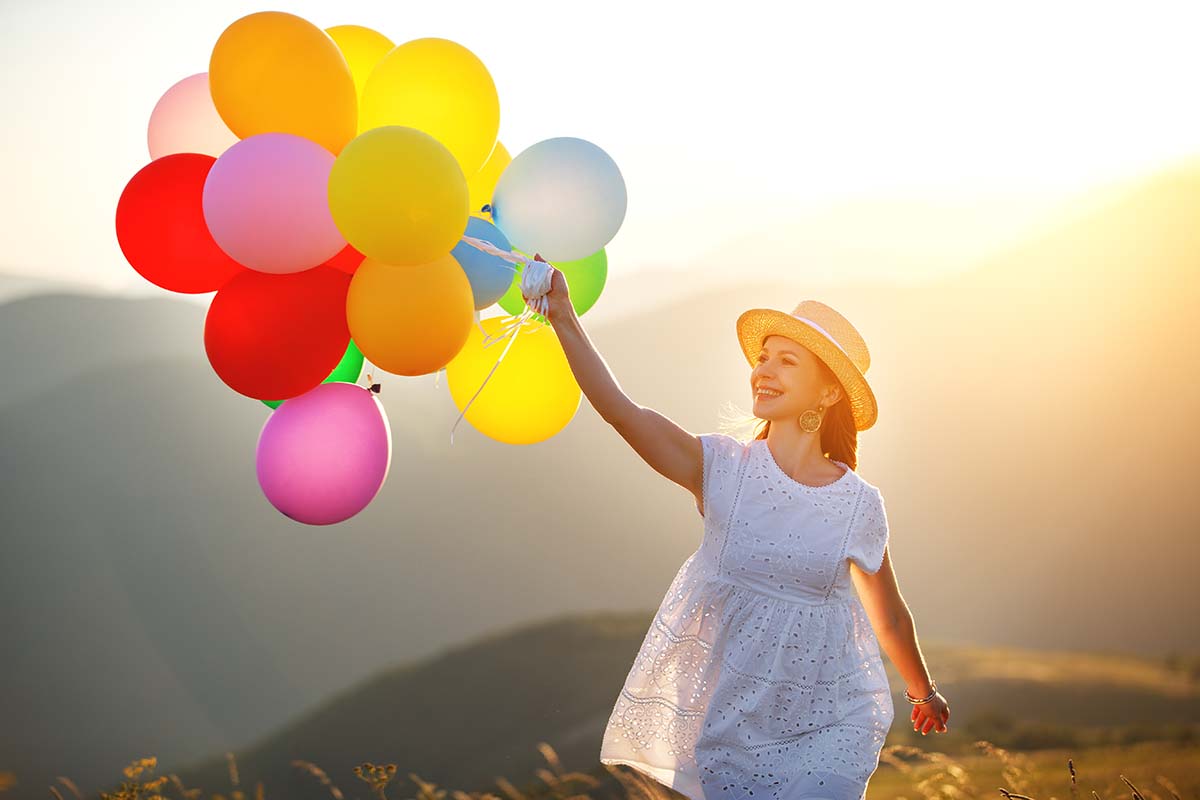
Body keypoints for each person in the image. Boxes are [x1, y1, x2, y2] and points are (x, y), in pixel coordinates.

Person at [523, 268, 950, 800]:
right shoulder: (724, 469)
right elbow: (621, 411)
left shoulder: (858, 504)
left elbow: (887, 613)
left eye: (785, 360)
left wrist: (921, 690)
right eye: (762, 358)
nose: (763, 370)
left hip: (833, 719)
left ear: (829, 392)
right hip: (734, 721)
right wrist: (563, 315)